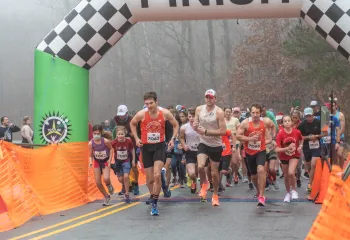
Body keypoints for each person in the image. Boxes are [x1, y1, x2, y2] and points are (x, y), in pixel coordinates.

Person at [130, 91, 179, 216]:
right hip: (146, 148)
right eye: (146, 103)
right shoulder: (142, 114)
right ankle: (152, 194)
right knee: (150, 179)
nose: (149, 106)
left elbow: (175, 125)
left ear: (157, 102)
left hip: (159, 146)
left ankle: (155, 204)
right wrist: (136, 138)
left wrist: (172, 139)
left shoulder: (165, 113)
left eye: (151, 103)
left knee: (156, 175)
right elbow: (132, 123)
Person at [237, 103, 275, 207]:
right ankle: (258, 191)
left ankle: (262, 196)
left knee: (261, 170)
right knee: (253, 176)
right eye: (253, 112)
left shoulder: (265, 121)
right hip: (249, 152)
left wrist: (271, 138)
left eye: (257, 113)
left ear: (260, 113)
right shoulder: (245, 123)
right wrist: (249, 139)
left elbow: (273, 126)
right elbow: (238, 136)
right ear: (250, 112)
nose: (255, 115)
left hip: (261, 150)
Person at [193, 89, 226, 206]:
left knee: (214, 173)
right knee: (201, 166)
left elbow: (223, 131)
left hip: (216, 145)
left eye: (211, 97)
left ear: (215, 99)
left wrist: (206, 131)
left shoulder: (219, 112)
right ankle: (205, 183)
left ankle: (215, 194)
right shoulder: (199, 109)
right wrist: (195, 125)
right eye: (207, 97)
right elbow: (196, 125)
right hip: (203, 143)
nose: (208, 99)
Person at [112, 105, 140, 196]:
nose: (121, 117)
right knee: (122, 169)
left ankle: (136, 184)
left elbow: (137, 131)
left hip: (131, 144)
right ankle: (125, 186)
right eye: (120, 115)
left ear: (127, 113)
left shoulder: (132, 120)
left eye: (123, 115)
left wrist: (133, 135)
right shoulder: (116, 119)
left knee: (134, 166)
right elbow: (115, 130)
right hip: (120, 146)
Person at [298, 107, 327, 192]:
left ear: (313, 115)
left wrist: (317, 136)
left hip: (316, 146)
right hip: (307, 147)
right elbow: (299, 137)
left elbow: (325, 133)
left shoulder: (319, 122)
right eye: (307, 116)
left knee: (314, 164)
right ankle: (314, 180)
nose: (308, 118)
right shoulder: (302, 125)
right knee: (310, 167)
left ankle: (310, 184)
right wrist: (309, 137)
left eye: (310, 116)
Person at [275, 115, 303, 202]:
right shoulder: (280, 134)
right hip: (284, 156)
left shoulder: (297, 132)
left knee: (291, 172)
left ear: (291, 122)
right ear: (282, 123)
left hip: (294, 155)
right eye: (285, 121)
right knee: (286, 175)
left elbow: (301, 139)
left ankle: (294, 191)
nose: (287, 122)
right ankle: (288, 193)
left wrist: (300, 146)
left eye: (288, 121)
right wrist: (287, 148)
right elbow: (276, 149)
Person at [88, 125, 115, 206]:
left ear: (101, 133)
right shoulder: (91, 143)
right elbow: (90, 155)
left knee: (106, 178)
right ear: (92, 133)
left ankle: (109, 185)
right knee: (98, 182)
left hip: (105, 161)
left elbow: (111, 149)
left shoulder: (106, 141)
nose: (96, 135)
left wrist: (110, 160)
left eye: (98, 133)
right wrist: (90, 162)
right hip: (97, 162)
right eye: (95, 133)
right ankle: (106, 196)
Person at [111, 126, 135, 203]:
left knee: (126, 176)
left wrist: (133, 160)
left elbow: (132, 149)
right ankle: (125, 185)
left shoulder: (128, 141)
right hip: (118, 162)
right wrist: (109, 161)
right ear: (116, 135)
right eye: (119, 134)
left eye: (122, 134)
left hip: (126, 161)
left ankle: (127, 194)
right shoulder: (114, 142)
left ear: (125, 134)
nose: (121, 136)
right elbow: (110, 151)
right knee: (120, 179)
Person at [179, 108, 200, 194]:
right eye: (189, 116)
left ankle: (202, 186)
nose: (191, 118)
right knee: (191, 173)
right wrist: (184, 145)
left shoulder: (201, 126)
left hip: (200, 151)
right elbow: (181, 137)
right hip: (190, 152)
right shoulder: (184, 127)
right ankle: (193, 182)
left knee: (200, 170)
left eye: (193, 116)